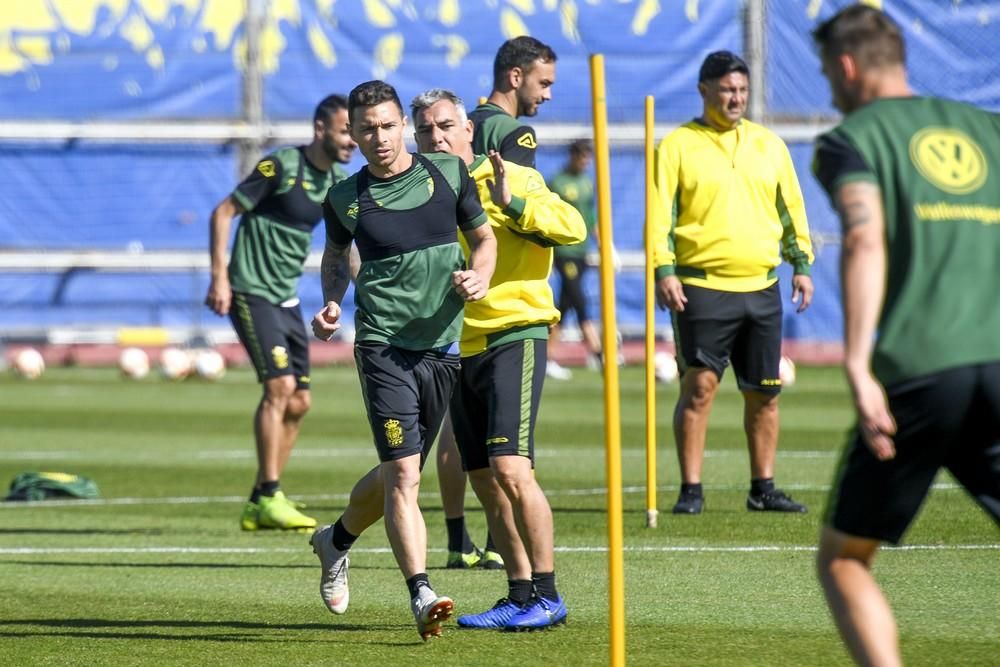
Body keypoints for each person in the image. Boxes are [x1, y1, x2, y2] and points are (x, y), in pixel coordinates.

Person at [811, 6, 1000, 665]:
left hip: (921, 370)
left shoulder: (851, 139)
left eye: (826, 75)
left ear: (846, 66)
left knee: (844, 558)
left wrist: (857, 364)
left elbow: (865, 239)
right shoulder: (989, 130)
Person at [308, 80, 497, 640]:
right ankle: (421, 592)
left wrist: (480, 275)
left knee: (403, 469)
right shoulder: (345, 197)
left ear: (403, 127)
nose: (380, 137)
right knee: (404, 474)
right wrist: (332, 303)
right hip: (383, 345)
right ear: (353, 134)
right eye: (367, 129)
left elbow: (484, 240)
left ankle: (335, 540)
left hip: (442, 347)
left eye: (389, 126)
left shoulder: (449, 174)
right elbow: (335, 258)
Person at [411, 88, 586, 630]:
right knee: (484, 479)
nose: (437, 137)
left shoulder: (513, 177)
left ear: (468, 130)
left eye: (446, 126)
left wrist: (513, 204)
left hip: (515, 334)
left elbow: (573, 228)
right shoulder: (421, 194)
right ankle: (519, 593)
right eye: (426, 130)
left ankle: (548, 595)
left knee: (512, 468)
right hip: (458, 346)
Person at [651, 50, 815, 515]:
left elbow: (791, 209)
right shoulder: (677, 145)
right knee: (699, 389)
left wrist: (801, 264)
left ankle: (763, 489)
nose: (736, 98)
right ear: (704, 91)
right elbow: (659, 215)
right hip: (701, 287)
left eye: (742, 90)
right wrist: (664, 270)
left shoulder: (770, 145)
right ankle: (691, 490)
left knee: (765, 393)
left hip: (762, 288)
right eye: (726, 90)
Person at [434, 35, 560, 559]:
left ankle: (458, 539)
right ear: (516, 76)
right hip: (500, 302)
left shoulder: (461, 125)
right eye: (543, 82)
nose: (547, 94)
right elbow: (509, 211)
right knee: (507, 458)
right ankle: (503, 550)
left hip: (456, 310)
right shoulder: (514, 134)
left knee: (458, 438)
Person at [205, 94, 355, 531]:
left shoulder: (339, 181)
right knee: (280, 386)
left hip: (286, 298)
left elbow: (348, 247)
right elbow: (223, 212)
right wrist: (219, 277)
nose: (353, 141)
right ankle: (271, 494)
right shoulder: (281, 167)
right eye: (346, 131)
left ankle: (260, 500)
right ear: (320, 129)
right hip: (250, 290)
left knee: (300, 401)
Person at [547, 139, 604, 373]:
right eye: (582, 157)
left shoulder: (587, 182)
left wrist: (603, 244)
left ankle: (547, 356)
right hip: (564, 250)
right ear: (573, 156)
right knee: (579, 300)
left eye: (588, 158)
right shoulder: (558, 182)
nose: (585, 162)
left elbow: (590, 215)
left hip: (582, 251)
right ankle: (598, 351)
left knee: (566, 303)